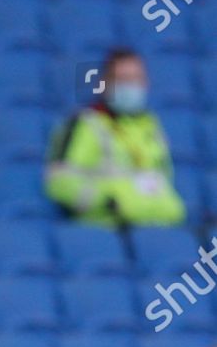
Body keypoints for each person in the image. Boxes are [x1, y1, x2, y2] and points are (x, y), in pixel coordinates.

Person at [45, 47, 186, 228]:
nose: (131, 86)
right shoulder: (85, 124)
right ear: (105, 83)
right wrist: (108, 201)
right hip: (105, 230)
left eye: (136, 79)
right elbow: (59, 180)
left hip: (156, 228)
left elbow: (164, 178)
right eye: (123, 79)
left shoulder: (151, 126)